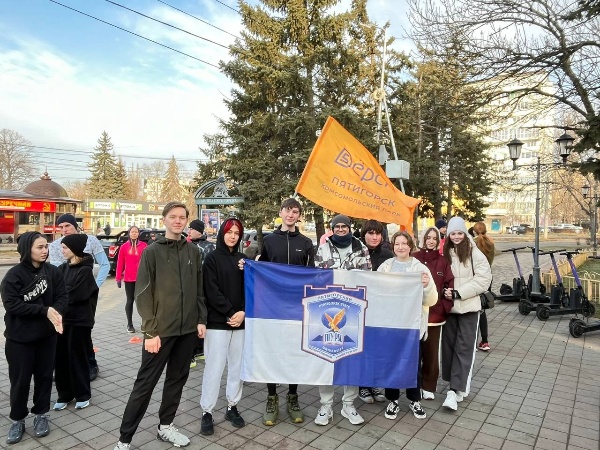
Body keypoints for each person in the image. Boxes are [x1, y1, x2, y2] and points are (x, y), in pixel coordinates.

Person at [113, 201, 207, 450]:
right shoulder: (151, 252)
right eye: (173, 216)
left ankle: (166, 426)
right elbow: (143, 294)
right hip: (160, 332)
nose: (178, 221)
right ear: (164, 220)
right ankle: (124, 439)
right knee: (145, 384)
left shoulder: (193, 252)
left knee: (177, 380)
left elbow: (199, 290)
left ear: (187, 221)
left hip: (187, 331)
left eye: (182, 217)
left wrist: (200, 319)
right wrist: (150, 331)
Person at [1, 232, 68, 445]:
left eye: (46, 246)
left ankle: (41, 415)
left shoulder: (53, 272)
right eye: (39, 247)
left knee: (44, 378)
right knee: (20, 382)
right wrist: (44, 311)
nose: (45, 250)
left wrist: (55, 312)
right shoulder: (14, 275)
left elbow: (63, 296)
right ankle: (18, 419)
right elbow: (12, 305)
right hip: (19, 339)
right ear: (27, 249)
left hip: (46, 338)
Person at [258, 198, 315, 426]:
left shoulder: (306, 242)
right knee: (273, 350)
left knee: (294, 351)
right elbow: (261, 268)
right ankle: (272, 397)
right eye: (287, 211)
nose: (291, 215)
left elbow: (312, 274)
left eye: (295, 212)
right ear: (280, 212)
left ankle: (293, 396)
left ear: (299, 215)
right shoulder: (270, 240)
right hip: (273, 306)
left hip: (298, 307)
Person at [314, 214, 371, 426]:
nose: (340, 229)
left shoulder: (361, 248)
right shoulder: (323, 248)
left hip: (353, 309)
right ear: (332, 228)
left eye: (343, 226)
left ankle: (348, 404)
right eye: (336, 226)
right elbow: (317, 276)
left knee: (350, 357)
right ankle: (326, 405)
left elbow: (368, 277)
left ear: (349, 227)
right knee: (326, 356)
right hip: (327, 307)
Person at [377, 231, 438, 420]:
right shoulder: (385, 267)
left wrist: (427, 285)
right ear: (392, 246)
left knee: (414, 365)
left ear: (410, 246)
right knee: (391, 362)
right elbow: (377, 291)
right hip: (392, 325)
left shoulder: (420, 269)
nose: (401, 247)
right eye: (397, 243)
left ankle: (414, 399)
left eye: (404, 243)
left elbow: (432, 300)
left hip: (412, 327)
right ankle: (393, 400)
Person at [199, 218, 247, 436]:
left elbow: (252, 288)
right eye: (229, 232)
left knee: (237, 367)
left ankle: (232, 406)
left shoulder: (244, 260)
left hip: (241, 323)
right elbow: (211, 290)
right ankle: (207, 412)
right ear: (222, 233)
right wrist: (230, 312)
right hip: (218, 322)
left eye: (237, 233)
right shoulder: (211, 259)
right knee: (214, 367)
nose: (233, 236)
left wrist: (243, 312)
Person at [49, 213, 109, 381]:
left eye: (67, 225)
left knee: (83, 330)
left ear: (75, 225)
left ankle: (90, 364)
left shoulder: (90, 240)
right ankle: (63, 366)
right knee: (64, 330)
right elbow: (56, 273)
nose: (64, 230)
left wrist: (94, 286)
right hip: (66, 295)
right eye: (60, 227)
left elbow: (104, 264)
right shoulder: (55, 246)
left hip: (85, 294)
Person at [441, 217, 492, 411]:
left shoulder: (475, 253)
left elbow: (483, 280)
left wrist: (458, 293)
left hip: (469, 307)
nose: (456, 237)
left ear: (465, 233)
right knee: (448, 348)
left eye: (459, 233)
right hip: (449, 309)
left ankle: (454, 389)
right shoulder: (445, 252)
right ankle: (454, 384)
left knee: (464, 348)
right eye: (452, 233)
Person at [54, 234, 99, 412]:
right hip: (61, 321)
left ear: (75, 249)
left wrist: (60, 297)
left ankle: (82, 394)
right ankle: (64, 394)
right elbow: (55, 290)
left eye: (65, 247)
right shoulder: (61, 269)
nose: (62, 251)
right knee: (61, 359)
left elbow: (76, 295)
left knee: (77, 358)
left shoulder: (85, 271)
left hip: (79, 321)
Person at [412, 227, 454, 401]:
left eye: (434, 238)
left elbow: (448, 285)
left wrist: (444, 307)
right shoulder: (414, 259)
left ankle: (428, 385)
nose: (430, 241)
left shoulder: (443, 261)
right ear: (422, 239)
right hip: (414, 315)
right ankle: (413, 384)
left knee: (431, 353)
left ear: (438, 241)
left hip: (434, 316)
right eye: (428, 237)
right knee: (414, 352)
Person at [358, 219, 394, 404]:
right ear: (364, 235)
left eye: (377, 233)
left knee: (377, 348)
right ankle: (363, 385)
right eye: (370, 233)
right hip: (360, 308)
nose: (374, 237)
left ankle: (374, 383)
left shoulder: (388, 255)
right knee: (362, 348)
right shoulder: (356, 253)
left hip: (381, 308)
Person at [188, 219, 216, 365]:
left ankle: (196, 351)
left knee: (201, 319)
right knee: (195, 319)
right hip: (193, 289)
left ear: (199, 230)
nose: (189, 231)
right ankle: (195, 350)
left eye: (191, 228)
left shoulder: (208, 247)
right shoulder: (188, 245)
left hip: (203, 290)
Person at [115, 226, 148, 333]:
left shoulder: (144, 245)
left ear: (139, 233)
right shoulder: (124, 247)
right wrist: (118, 277)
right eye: (132, 232)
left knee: (142, 301)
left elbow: (148, 262)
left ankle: (145, 324)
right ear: (129, 233)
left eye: (136, 232)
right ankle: (129, 324)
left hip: (141, 278)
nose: (134, 234)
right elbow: (120, 263)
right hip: (129, 278)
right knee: (130, 301)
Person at [472, 222, 495, 352]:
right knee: (482, 310)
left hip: (474, 279)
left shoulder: (472, 243)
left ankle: (473, 342)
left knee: (474, 310)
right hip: (487, 278)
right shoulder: (490, 243)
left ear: (474, 231)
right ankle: (485, 341)